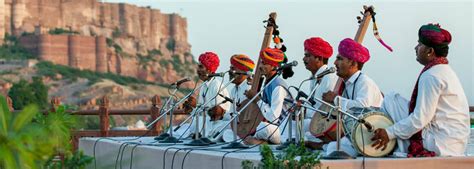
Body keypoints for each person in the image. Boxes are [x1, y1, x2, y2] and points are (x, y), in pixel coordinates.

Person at [371, 24, 470, 157]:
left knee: (391, 100)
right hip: (454, 143)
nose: (415, 48)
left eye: (419, 44)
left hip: (440, 143)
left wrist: (389, 133)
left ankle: (395, 147)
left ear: (429, 51)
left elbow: (420, 119)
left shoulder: (432, 75)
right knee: (395, 101)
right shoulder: (444, 70)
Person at [322, 38, 384, 156]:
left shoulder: (364, 82)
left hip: (372, 136)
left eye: (340, 59)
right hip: (357, 134)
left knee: (333, 148)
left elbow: (362, 107)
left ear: (354, 63)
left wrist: (335, 99)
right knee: (331, 146)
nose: (335, 63)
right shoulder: (347, 84)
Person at [244, 47, 293, 144]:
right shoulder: (268, 83)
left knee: (262, 128)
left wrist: (257, 99)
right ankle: (259, 141)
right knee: (230, 132)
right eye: (261, 63)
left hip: (284, 129)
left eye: (264, 63)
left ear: (274, 66)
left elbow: (273, 117)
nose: (260, 66)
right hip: (273, 127)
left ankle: (261, 142)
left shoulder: (277, 86)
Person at [300, 37, 339, 149]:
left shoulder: (329, 77)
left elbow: (323, 110)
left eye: (307, 56)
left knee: (301, 127)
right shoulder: (314, 77)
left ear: (319, 58)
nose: (303, 59)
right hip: (313, 119)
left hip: (326, 122)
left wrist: (304, 110)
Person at [184, 52, 231, 139]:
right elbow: (202, 112)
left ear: (209, 70)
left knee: (197, 126)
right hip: (204, 123)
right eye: (198, 66)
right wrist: (191, 109)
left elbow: (216, 114)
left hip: (216, 125)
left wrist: (196, 107)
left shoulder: (217, 86)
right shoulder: (203, 86)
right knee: (182, 129)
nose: (197, 70)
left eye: (201, 67)